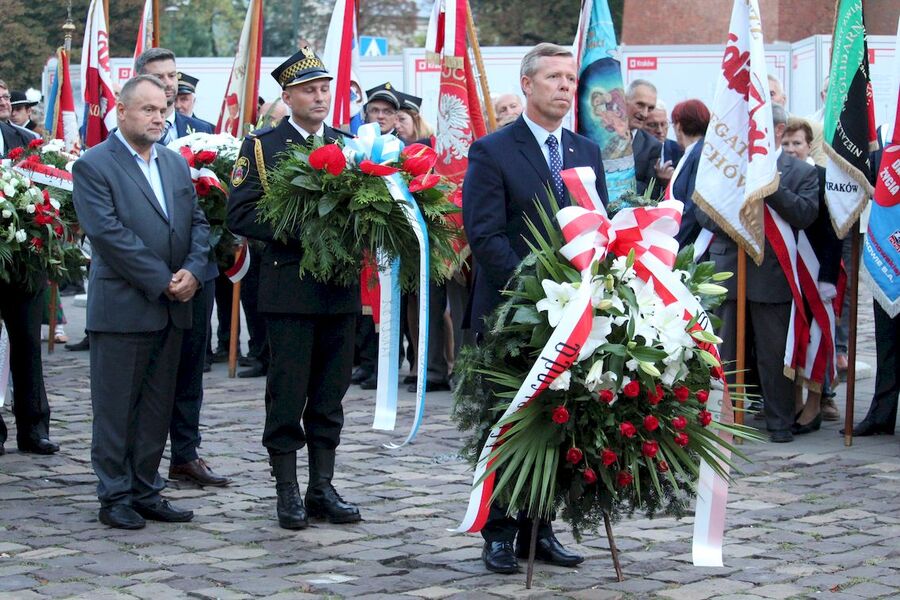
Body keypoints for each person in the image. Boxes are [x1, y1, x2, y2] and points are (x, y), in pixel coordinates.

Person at [463, 42, 608, 575]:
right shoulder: (493, 150)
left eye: (570, 78)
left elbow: (596, 225)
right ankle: (499, 533)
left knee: (556, 420)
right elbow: (485, 235)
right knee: (506, 421)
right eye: (554, 77)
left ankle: (540, 528)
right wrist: (539, 291)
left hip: (572, 318)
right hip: (511, 313)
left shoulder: (584, 152)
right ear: (527, 85)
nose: (566, 86)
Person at [227, 47, 361, 530]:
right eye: (310, 90)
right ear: (288, 96)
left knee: (330, 393)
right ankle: (286, 489)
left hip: (340, 290)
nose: (320, 96)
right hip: (288, 290)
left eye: (326, 88)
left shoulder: (351, 145)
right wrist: (303, 226)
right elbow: (239, 213)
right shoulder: (262, 146)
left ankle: (322, 487)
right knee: (287, 393)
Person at [72, 74, 210, 529]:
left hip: (172, 306)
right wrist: (163, 280)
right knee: (116, 407)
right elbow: (109, 235)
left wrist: (192, 269)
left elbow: (199, 222)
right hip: (124, 308)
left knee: (156, 406)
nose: (158, 117)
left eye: (163, 110)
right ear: (123, 112)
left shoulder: (173, 163)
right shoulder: (94, 165)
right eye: (148, 109)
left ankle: (146, 489)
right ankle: (114, 494)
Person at [134, 49, 230, 488]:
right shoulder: (131, 136)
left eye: (173, 76)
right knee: (150, 369)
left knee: (193, 364)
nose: (170, 84)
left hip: (198, 268)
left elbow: (212, 213)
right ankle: (142, 456)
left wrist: (196, 263)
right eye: (159, 77)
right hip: (146, 274)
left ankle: (186, 453)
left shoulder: (205, 135)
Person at [697, 104, 818, 444]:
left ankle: (779, 422)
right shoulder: (724, 168)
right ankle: (725, 421)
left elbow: (805, 214)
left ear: (776, 131)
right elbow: (703, 214)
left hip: (773, 274)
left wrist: (769, 186)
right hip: (728, 271)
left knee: (773, 354)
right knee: (726, 354)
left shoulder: (800, 172)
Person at [0, 80, 59, 457]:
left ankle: (33, 427)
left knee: (27, 345)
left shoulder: (25, 139)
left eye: (5, 95)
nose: (4, 101)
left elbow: (55, 191)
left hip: (24, 260)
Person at [781, 118, 843, 432]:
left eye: (797, 143)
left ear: (809, 146)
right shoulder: (773, 178)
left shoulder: (821, 178)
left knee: (816, 338)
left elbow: (835, 232)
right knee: (792, 339)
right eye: (786, 143)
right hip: (787, 273)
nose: (791, 149)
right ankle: (795, 402)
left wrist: (828, 279)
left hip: (816, 271)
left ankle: (816, 404)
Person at [134, 49, 214, 142]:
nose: (168, 83)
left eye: (172, 75)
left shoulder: (202, 131)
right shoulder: (131, 131)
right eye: (158, 77)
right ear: (140, 82)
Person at [669, 99, 711, 248]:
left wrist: (671, 244)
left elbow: (693, 206)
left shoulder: (700, 154)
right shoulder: (694, 152)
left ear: (678, 125)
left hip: (692, 243)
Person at [625, 79, 666, 196]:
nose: (645, 113)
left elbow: (650, 192)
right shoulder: (599, 136)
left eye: (650, 108)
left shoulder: (652, 146)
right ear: (624, 100)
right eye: (640, 105)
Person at [643, 101, 683, 168]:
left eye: (663, 124)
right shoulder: (633, 151)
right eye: (653, 125)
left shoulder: (680, 151)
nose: (660, 130)